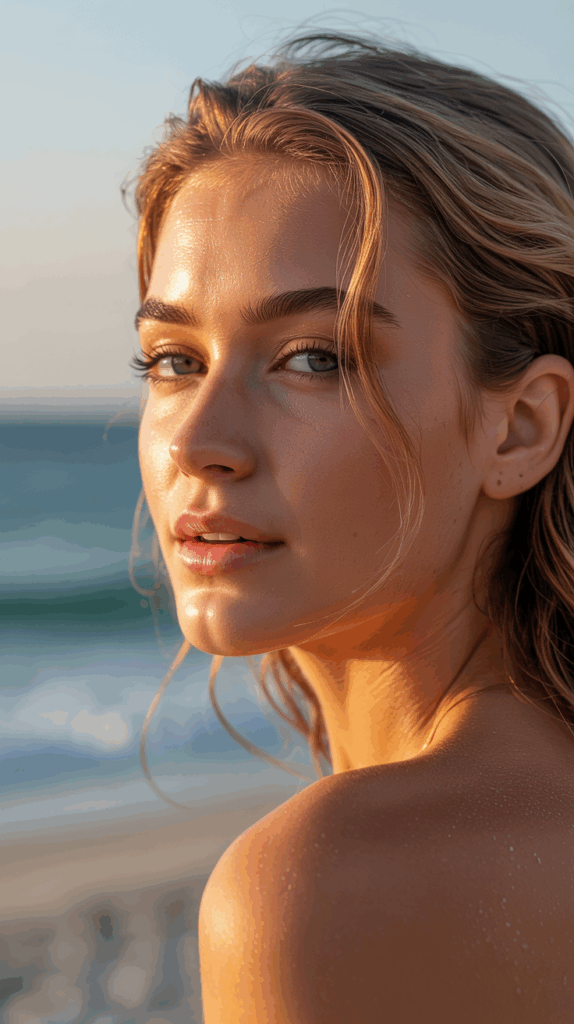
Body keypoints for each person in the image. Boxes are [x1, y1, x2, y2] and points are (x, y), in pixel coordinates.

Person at [129, 29, 574, 1022]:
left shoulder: (328, 886)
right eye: (172, 359)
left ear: (521, 423)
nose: (200, 440)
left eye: (313, 358)